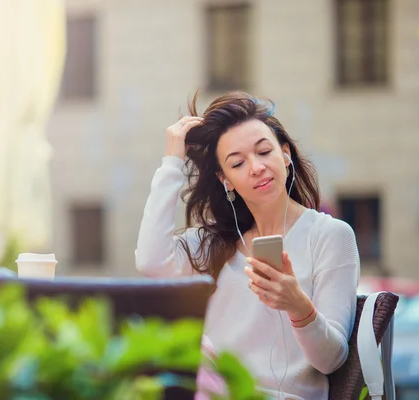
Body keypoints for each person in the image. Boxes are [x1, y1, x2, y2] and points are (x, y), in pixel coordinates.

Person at [135, 91, 360, 400]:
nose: (256, 167)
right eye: (238, 163)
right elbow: (150, 261)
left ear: (285, 155)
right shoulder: (214, 244)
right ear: (225, 179)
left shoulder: (330, 236)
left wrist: (298, 306)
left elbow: (332, 359)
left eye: (264, 151)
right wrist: (172, 161)